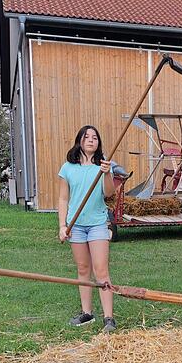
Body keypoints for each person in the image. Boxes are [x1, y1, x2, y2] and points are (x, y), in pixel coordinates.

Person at [58, 125, 117, 332]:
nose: (91, 140)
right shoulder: (68, 168)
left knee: (101, 270)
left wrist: (108, 173)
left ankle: (109, 318)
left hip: (98, 224)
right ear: (79, 141)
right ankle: (87, 313)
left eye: (95, 137)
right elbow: (64, 198)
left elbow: (109, 194)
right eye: (87, 137)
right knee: (83, 269)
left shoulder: (102, 167)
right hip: (77, 226)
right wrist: (62, 225)